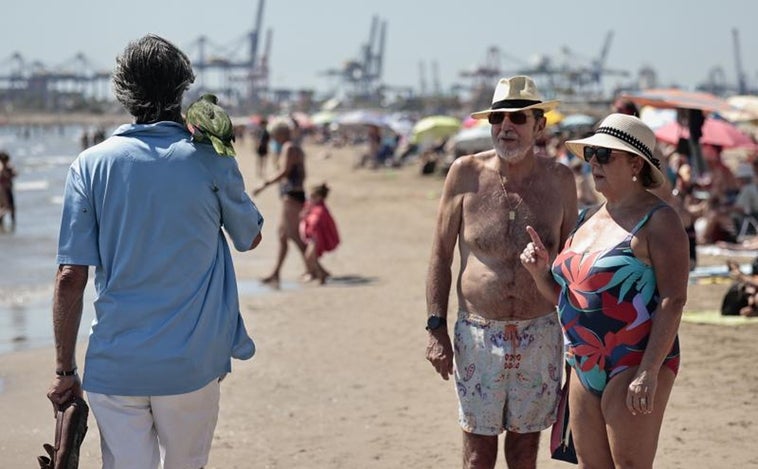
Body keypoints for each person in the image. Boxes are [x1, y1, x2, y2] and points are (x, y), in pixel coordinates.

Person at [46, 34, 264, 469]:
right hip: (192, 361)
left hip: (115, 362)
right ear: (183, 88)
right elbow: (250, 237)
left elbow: (71, 277)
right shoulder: (209, 158)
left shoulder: (89, 164)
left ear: (123, 91)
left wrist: (65, 370)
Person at [425, 75, 578, 469]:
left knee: (525, 452)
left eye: (517, 118)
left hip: (542, 331)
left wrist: (578, 335)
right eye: (497, 118)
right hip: (478, 332)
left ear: (539, 125)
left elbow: (571, 261)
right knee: (478, 453)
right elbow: (441, 254)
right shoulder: (465, 173)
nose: (505, 126)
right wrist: (435, 328)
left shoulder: (560, 180)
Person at [520, 113, 688, 467]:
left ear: (636, 164)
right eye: (592, 153)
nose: (594, 161)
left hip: (634, 359)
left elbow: (674, 300)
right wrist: (539, 274)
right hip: (584, 361)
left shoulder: (659, 220)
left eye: (606, 155)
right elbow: (570, 299)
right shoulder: (586, 218)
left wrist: (648, 371)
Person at [254, 120, 309, 287]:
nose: (272, 139)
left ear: (280, 134)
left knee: (294, 235)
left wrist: (264, 185)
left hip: (292, 195)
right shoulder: (292, 147)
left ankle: (315, 268)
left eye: (274, 135)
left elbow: (284, 172)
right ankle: (276, 273)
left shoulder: (289, 147)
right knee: (283, 236)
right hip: (291, 194)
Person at [299, 182, 340, 284]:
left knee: (309, 257)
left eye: (313, 196)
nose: (310, 198)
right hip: (313, 237)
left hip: (316, 238)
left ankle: (316, 274)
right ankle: (319, 275)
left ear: (320, 197)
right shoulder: (312, 207)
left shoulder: (320, 210)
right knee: (311, 258)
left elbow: (316, 223)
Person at [0, 151, 17, 230]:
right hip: (3, 191)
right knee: (6, 208)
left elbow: (15, 174)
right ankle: (2, 224)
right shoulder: (1, 168)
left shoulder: (9, 167)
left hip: (7, 190)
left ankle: (12, 225)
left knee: (11, 208)